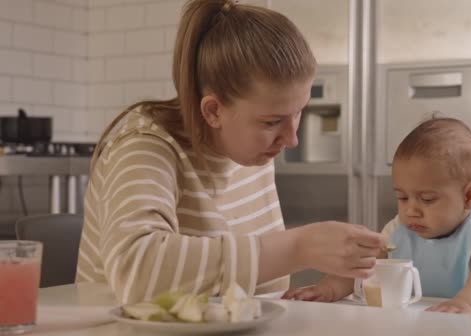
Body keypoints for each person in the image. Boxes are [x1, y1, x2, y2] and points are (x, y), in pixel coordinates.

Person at [76, 0, 386, 304]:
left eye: (298, 112)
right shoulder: (145, 146)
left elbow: (253, 287)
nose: (291, 139)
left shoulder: (252, 152)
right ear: (213, 111)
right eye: (272, 121)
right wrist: (298, 247)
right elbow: (138, 269)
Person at [283, 118, 471, 315]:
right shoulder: (399, 228)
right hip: (417, 324)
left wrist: (465, 304)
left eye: (427, 199)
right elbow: (361, 266)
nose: (410, 210)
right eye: (403, 198)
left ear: (470, 196)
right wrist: (327, 289)